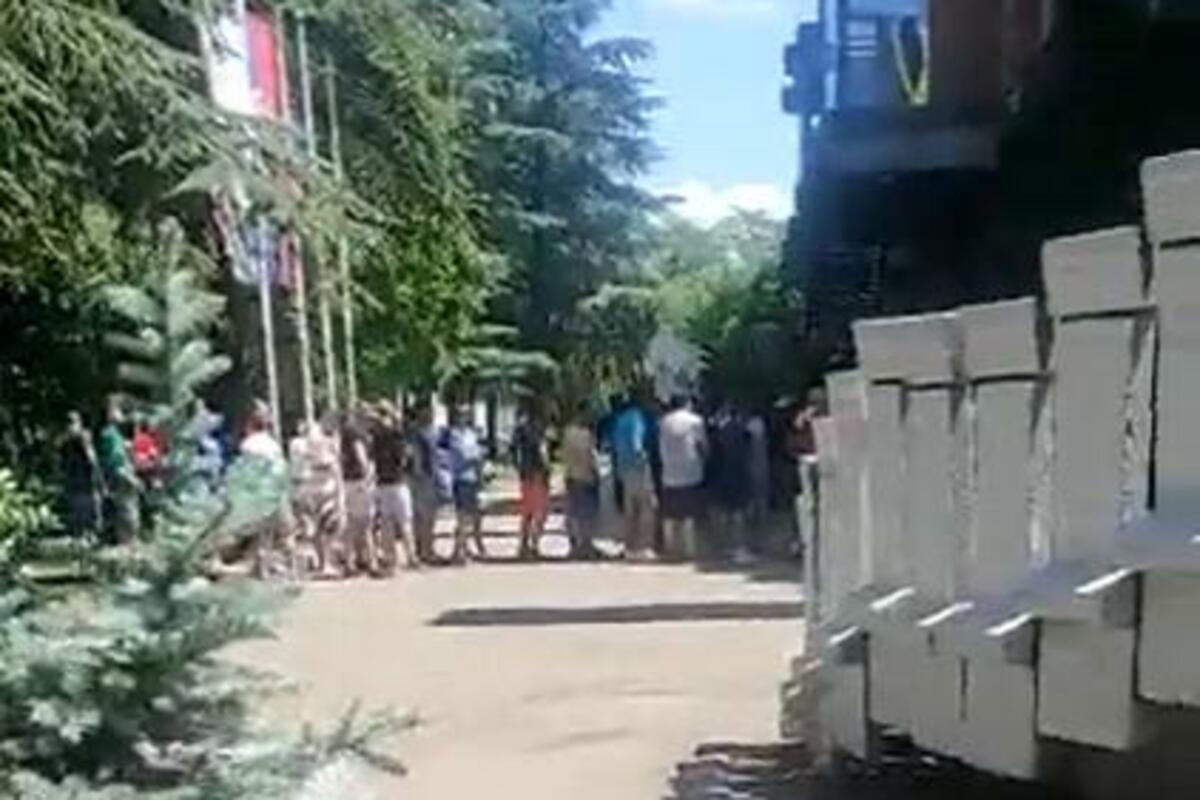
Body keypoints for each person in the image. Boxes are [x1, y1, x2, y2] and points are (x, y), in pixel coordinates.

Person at [289, 416, 342, 578]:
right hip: (317, 497)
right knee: (319, 531)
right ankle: (322, 563)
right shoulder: (306, 456)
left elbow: (336, 475)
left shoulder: (324, 456)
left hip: (322, 495)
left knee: (323, 531)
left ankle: (323, 562)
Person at [658, 394, 707, 561]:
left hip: (668, 472)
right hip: (690, 472)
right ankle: (689, 550)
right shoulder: (695, 421)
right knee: (689, 515)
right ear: (686, 404)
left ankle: (670, 548)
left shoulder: (663, 422)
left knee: (669, 515)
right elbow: (702, 446)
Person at [372, 402, 417, 573]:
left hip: (383, 482)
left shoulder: (376, 434)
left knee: (387, 522)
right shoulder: (398, 434)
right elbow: (406, 457)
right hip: (398, 482)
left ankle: (391, 559)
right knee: (404, 521)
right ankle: (410, 556)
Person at [610, 393, 656, 561]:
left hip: (623, 469)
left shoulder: (620, 420)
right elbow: (636, 445)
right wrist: (644, 460)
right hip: (638, 469)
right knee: (646, 508)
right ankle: (644, 547)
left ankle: (629, 547)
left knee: (629, 510)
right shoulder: (636, 418)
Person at [443, 405, 486, 563]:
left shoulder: (471, 433)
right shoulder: (454, 434)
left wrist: (478, 457)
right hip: (461, 479)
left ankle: (465, 547)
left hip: (474, 478)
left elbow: (479, 453)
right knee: (462, 517)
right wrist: (476, 455)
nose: (465, 417)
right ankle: (458, 551)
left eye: (467, 414)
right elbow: (463, 454)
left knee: (475, 515)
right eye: (461, 414)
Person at [712, 404, 754, 564]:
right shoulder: (742, 431)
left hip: (723, 475)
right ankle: (739, 547)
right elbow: (748, 451)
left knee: (726, 512)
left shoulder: (719, 432)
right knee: (739, 513)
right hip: (739, 473)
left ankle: (725, 546)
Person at [97, 396, 141, 542]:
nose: (120, 413)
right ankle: (126, 542)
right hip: (121, 479)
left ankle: (129, 541)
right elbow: (114, 464)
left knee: (130, 510)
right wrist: (130, 478)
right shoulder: (109, 434)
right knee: (126, 512)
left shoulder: (116, 433)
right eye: (116, 409)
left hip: (123, 477)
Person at [561, 401, 601, 560]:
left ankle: (575, 545)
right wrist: (596, 474)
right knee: (587, 514)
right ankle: (586, 545)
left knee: (573, 512)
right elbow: (590, 457)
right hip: (585, 477)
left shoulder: (567, 433)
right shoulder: (586, 435)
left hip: (570, 476)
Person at [511, 401, 551, 560]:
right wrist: (545, 471)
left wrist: (519, 467)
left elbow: (514, 451)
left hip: (529, 473)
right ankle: (531, 545)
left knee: (530, 512)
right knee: (538, 511)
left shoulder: (522, 429)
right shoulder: (533, 429)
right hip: (535, 474)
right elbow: (541, 453)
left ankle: (526, 545)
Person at [340, 408, 375, 576]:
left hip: (348, 480)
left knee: (353, 522)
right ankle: (369, 561)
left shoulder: (345, 433)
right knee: (364, 523)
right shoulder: (356, 433)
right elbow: (360, 455)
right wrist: (368, 475)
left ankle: (354, 559)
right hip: (359, 481)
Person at [408, 402, 441, 564]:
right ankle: (425, 550)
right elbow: (415, 456)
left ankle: (426, 548)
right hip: (422, 478)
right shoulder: (417, 432)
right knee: (424, 516)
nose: (430, 414)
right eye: (427, 411)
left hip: (430, 476)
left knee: (427, 516)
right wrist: (419, 473)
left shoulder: (431, 431)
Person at [60, 411, 102, 539]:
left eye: (72, 422)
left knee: (83, 506)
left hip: (81, 478)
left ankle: (87, 534)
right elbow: (92, 458)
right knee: (83, 506)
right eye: (70, 422)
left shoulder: (77, 437)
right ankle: (85, 534)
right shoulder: (74, 438)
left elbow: (91, 458)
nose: (71, 426)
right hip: (79, 478)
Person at [746, 410, 771, 527]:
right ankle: (762, 517)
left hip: (755, 467)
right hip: (760, 466)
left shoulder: (751, 441)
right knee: (761, 492)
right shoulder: (763, 440)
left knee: (756, 492)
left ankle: (758, 517)